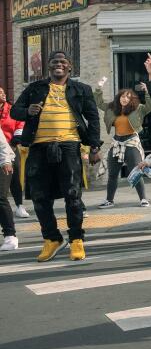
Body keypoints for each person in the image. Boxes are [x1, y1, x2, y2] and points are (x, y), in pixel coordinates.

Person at [10, 50, 102, 262]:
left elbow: (93, 119)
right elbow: (15, 111)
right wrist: (28, 111)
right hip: (38, 147)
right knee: (40, 197)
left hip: (69, 146)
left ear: (70, 67)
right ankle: (52, 239)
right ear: (48, 67)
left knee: (72, 194)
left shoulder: (82, 89)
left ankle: (76, 239)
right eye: (54, 62)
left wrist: (94, 147)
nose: (58, 64)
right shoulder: (34, 89)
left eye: (62, 61)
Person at [94, 78, 151, 209]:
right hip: (117, 142)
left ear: (131, 99)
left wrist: (147, 91)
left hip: (131, 141)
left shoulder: (138, 108)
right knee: (112, 174)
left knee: (137, 171)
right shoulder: (112, 109)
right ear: (119, 98)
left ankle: (143, 199)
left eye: (128, 97)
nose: (125, 99)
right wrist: (99, 88)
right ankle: (109, 200)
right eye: (122, 96)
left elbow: (150, 106)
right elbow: (98, 103)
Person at [0, 87, 29, 220]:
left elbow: (20, 124)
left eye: (3, 92)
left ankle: (19, 206)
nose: (3, 94)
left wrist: (16, 140)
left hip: (11, 147)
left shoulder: (12, 109)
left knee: (15, 178)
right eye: (0, 93)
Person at [0, 130, 16, 250]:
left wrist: (5, 161)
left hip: (2, 161)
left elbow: (2, 143)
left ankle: (10, 236)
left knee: (0, 197)